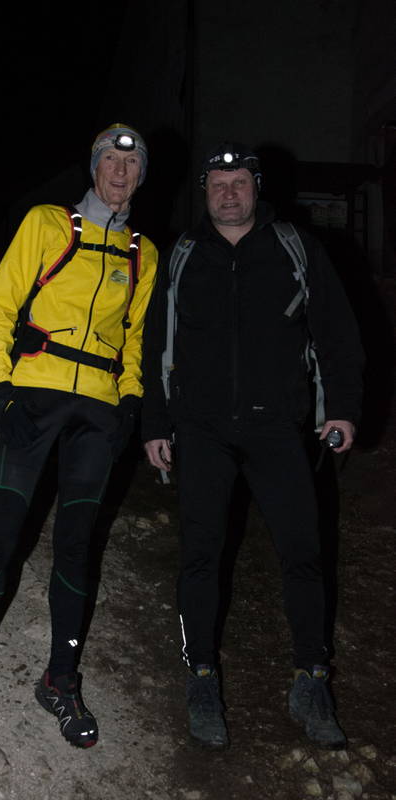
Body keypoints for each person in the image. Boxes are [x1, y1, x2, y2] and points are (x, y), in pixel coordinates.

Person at [142, 142, 364, 751]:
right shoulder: (184, 254)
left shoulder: (295, 247)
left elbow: (337, 332)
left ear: (256, 188)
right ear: (205, 192)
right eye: (218, 184)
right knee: (200, 556)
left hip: (280, 429)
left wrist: (343, 408)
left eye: (239, 182)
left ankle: (311, 678)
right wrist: (155, 424)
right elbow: (156, 342)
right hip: (202, 430)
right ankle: (201, 676)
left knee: (304, 553)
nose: (228, 193)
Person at [0, 124, 158, 753]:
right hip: (33, 395)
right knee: (1, 538)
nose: (119, 171)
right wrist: (0, 387)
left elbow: (136, 338)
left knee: (76, 549)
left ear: (141, 176)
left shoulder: (143, 253)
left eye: (131, 164)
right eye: (110, 160)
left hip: (98, 412)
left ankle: (59, 680)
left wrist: (130, 399)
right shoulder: (47, 223)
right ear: (93, 168)